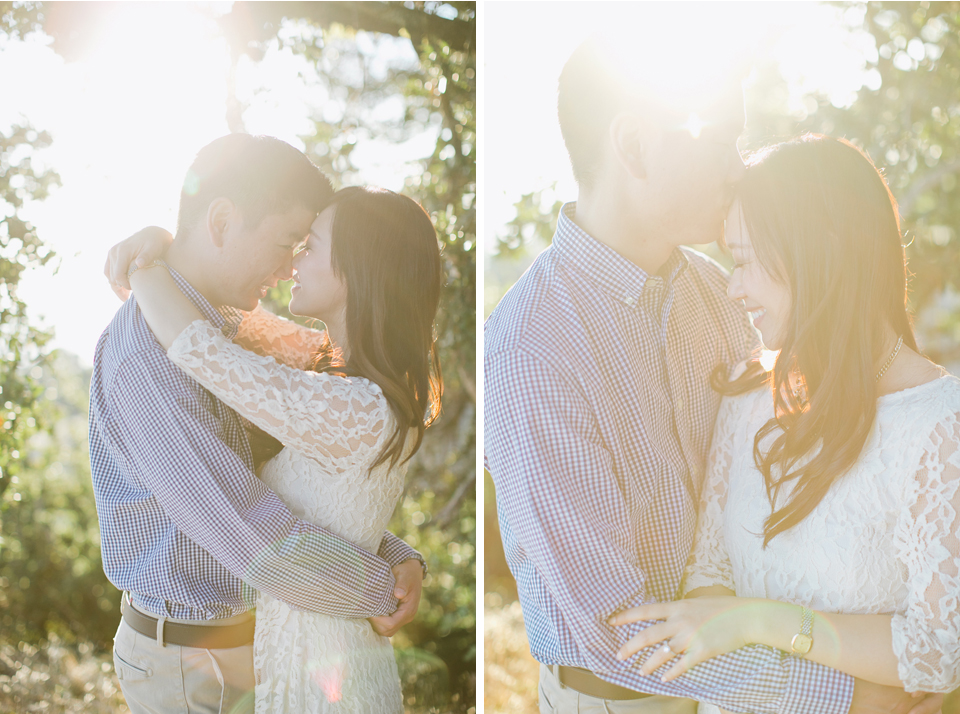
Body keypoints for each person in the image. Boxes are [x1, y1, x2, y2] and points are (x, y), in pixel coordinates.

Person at [484, 35, 942, 714]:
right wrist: (855, 698)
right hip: (625, 700)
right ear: (635, 147)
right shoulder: (531, 348)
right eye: (723, 140)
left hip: (748, 684)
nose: (740, 167)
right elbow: (616, 628)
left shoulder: (720, 295)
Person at [608, 136, 959, 712]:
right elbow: (709, 575)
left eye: (745, 259)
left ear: (821, 252)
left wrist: (757, 620)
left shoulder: (941, 428)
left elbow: (939, 652)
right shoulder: (750, 396)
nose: (732, 285)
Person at [91, 135, 428, 713]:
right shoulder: (147, 355)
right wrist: (380, 587)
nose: (288, 265)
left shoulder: (223, 334)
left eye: (304, 247)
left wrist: (392, 553)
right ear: (221, 221)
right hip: (194, 664)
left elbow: (298, 484)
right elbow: (250, 528)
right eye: (284, 242)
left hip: (253, 647)